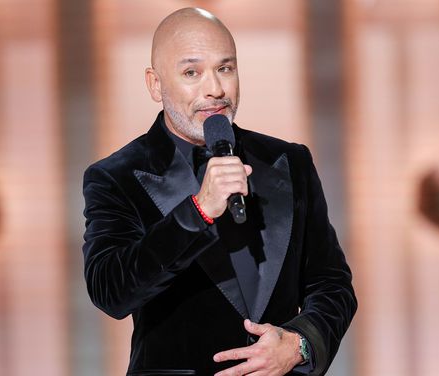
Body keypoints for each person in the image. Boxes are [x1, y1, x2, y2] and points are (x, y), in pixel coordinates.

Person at [82, 7, 357, 376]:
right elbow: (110, 291)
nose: (215, 89)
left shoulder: (290, 161)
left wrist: (299, 343)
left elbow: (332, 283)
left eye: (225, 68)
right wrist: (197, 211)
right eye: (191, 72)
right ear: (155, 84)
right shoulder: (116, 177)